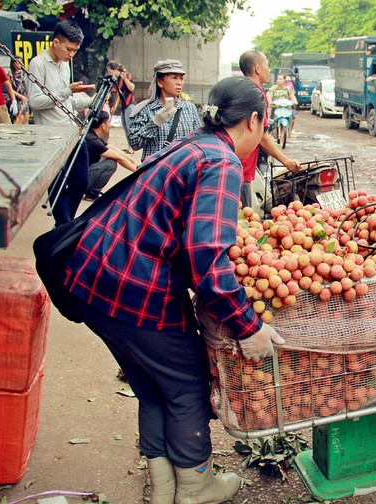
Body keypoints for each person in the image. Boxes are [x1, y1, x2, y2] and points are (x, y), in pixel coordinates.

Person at [62, 76, 285, 504]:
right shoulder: (221, 161)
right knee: (185, 386)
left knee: (151, 384)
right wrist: (248, 325)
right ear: (255, 120)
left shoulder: (192, 143)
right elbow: (207, 259)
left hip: (92, 277)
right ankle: (196, 486)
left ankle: (165, 487)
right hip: (133, 286)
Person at [27, 19, 96, 225]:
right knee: (57, 183)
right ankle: (63, 224)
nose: (71, 54)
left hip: (72, 130)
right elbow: (36, 102)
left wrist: (90, 101)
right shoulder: (38, 64)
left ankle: (67, 221)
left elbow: (66, 100)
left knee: (81, 180)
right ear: (56, 42)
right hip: (50, 136)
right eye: (69, 49)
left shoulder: (65, 65)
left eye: (75, 50)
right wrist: (68, 90)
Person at [238, 51, 301, 209]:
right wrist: (286, 161)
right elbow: (261, 137)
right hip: (243, 167)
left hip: (235, 163)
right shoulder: (256, 94)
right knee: (243, 219)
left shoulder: (240, 89)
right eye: (267, 65)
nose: (269, 69)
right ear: (258, 69)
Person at [128, 59, 201, 161]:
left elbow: (198, 140)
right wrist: (155, 123)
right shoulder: (146, 110)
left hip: (182, 171)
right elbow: (134, 144)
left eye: (181, 78)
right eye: (174, 78)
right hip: (155, 171)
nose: (179, 83)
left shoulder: (189, 108)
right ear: (160, 82)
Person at [84, 110, 138, 201]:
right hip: (82, 180)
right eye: (108, 122)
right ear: (103, 125)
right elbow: (117, 158)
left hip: (86, 172)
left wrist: (133, 161)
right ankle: (92, 193)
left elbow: (114, 150)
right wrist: (138, 171)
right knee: (111, 163)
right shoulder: (92, 140)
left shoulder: (92, 135)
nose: (109, 124)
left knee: (108, 157)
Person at [105, 60, 136, 153]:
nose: (110, 73)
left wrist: (125, 79)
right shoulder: (117, 80)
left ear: (115, 70)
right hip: (123, 105)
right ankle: (129, 146)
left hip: (130, 103)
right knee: (125, 126)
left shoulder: (126, 76)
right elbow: (118, 94)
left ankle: (133, 147)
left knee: (130, 126)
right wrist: (114, 106)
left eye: (110, 71)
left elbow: (131, 88)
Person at [9, 57, 29, 124]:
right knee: (19, 119)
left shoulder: (25, 73)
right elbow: (9, 88)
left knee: (26, 119)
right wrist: (20, 96)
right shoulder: (10, 74)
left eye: (20, 63)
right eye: (16, 63)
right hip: (17, 99)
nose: (18, 65)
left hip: (25, 99)